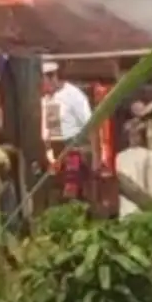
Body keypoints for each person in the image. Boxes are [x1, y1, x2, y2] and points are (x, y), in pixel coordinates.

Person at [41, 59, 93, 199]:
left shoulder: (74, 95)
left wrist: (96, 158)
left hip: (73, 149)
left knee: (72, 192)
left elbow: (91, 124)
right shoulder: (48, 98)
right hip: (54, 150)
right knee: (56, 191)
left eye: (43, 82)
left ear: (52, 77)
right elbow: (53, 129)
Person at [115, 117, 152, 217]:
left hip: (144, 208)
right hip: (126, 207)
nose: (134, 138)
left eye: (137, 134)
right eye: (131, 135)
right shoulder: (120, 157)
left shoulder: (149, 155)